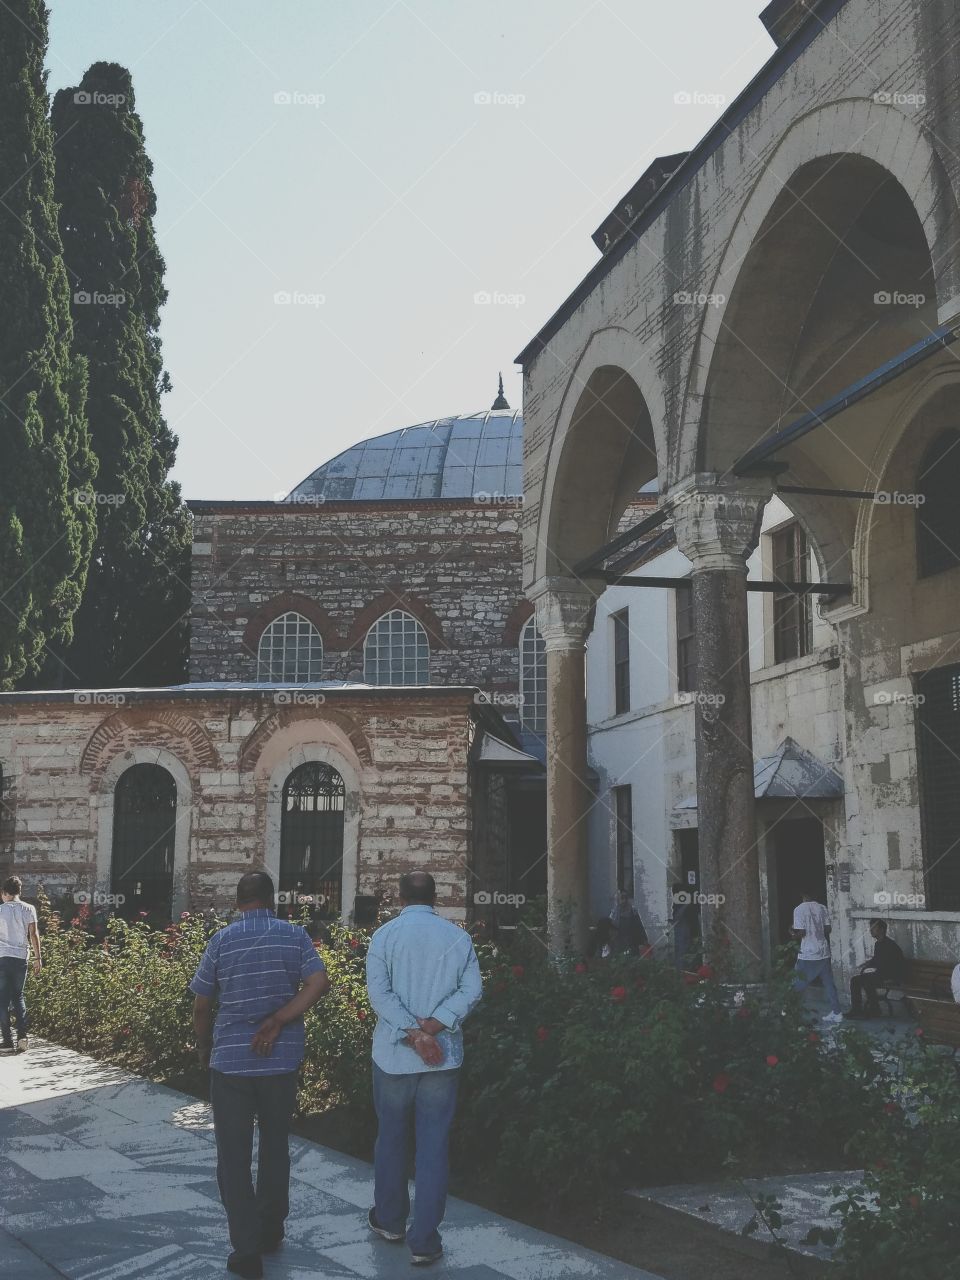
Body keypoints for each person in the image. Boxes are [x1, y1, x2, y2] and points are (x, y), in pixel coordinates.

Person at [190, 871, 331, 1280]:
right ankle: (271, 1230)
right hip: (280, 1062)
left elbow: (202, 1006)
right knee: (275, 1147)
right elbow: (318, 982)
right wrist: (279, 1019)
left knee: (233, 1156)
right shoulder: (294, 936)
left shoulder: (221, 940)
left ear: (239, 902)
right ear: (273, 901)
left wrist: (203, 1047)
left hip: (232, 1064)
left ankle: (246, 1251)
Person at [365, 870, 482, 1267]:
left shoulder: (385, 936)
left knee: (391, 1139)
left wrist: (413, 1033)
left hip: (395, 1059)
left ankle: (390, 1219)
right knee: (433, 1147)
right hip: (441, 1058)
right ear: (436, 897)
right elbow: (471, 989)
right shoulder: (457, 938)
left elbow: (379, 993)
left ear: (400, 897)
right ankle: (425, 1240)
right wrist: (434, 1026)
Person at [0, 876, 42, 1053]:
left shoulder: (1, 910)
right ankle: (23, 1037)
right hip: (21, 958)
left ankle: (7, 1042)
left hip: (2, 958)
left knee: (2, 1000)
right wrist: (38, 958)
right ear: (19, 892)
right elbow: (34, 934)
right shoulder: (29, 908)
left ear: (4, 893)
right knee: (18, 996)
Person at [791, 889, 842, 1023]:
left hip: (808, 952)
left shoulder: (799, 909)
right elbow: (828, 929)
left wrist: (792, 934)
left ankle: (788, 1009)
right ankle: (837, 1012)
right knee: (828, 982)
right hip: (823, 950)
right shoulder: (822, 908)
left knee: (797, 982)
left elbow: (802, 932)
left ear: (803, 894)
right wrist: (816, 928)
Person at [845, 919, 906, 1019]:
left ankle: (875, 1009)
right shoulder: (878, 944)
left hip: (893, 975)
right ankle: (857, 1009)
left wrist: (869, 970)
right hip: (882, 973)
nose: (871, 931)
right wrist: (866, 965)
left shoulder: (890, 945)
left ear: (881, 930)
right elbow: (876, 960)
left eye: (873, 928)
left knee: (867, 979)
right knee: (855, 980)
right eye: (871, 928)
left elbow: (889, 966)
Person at [609, 889, 649, 955]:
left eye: (626, 898)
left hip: (632, 945)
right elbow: (610, 932)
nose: (624, 900)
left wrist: (643, 940)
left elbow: (639, 927)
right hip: (618, 946)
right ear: (618, 900)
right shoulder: (613, 915)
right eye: (622, 898)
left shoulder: (633, 913)